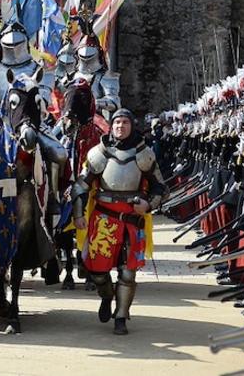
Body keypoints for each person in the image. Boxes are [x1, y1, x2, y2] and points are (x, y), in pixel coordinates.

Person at [71, 108, 168, 335]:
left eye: (125, 122)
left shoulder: (144, 154)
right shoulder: (99, 153)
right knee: (97, 272)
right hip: (104, 219)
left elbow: (161, 188)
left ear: (131, 126)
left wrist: (148, 205)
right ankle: (106, 296)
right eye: (116, 123)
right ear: (111, 126)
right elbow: (80, 186)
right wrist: (78, 215)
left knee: (127, 273)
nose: (120, 127)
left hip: (132, 221)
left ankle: (121, 316)